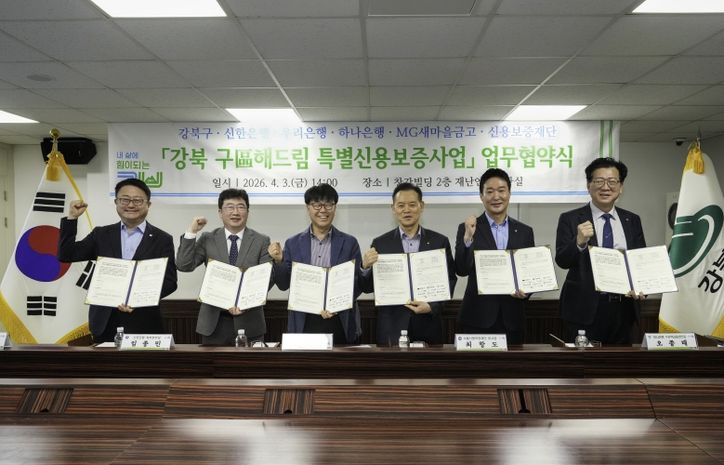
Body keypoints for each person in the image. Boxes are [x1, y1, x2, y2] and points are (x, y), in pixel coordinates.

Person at [58, 178, 177, 342]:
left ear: (148, 204)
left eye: (137, 200)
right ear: (116, 202)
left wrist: (138, 299)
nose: (130, 205)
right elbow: (67, 255)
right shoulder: (101, 235)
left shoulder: (162, 239)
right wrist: (72, 218)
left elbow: (170, 282)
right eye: (125, 199)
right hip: (104, 323)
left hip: (143, 321)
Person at [556, 157, 646, 345]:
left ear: (621, 187)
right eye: (599, 181)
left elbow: (640, 261)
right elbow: (562, 261)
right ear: (588, 185)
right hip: (583, 310)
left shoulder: (632, 220)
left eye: (612, 181)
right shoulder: (570, 218)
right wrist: (579, 242)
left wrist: (643, 285)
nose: (606, 187)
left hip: (623, 309)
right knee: (582, 363)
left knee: (621, 362)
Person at [360, 183, 456, 346]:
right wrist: (365, 267)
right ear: (393, 208)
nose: (407, 210)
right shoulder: (380, 243)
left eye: (412, 205)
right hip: (391, 326)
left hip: (428, 324)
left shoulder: (439, 242)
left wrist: (432, 306)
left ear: (421, 206)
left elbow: (450, 279)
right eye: (401, 205)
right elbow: (367, 287)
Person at [268, 183, 362, 344]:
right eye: (317, 205)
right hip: (304, 321)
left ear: (335, 207)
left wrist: (336, 304)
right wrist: (278, 261)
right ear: (308, 208)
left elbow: (357, 283)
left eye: (328, 204)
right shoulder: (293, 243)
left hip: (340, 319)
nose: (323, 210)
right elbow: (283, 284)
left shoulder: (349, 243)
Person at [176, 189, 272, 345]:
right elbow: (183, 265)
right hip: (214, 323)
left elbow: (266, 278)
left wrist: (245, 303)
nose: (235, 212)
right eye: (229, 207)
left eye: (241, 207)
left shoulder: (261, 241)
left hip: (249, 322)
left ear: (248, 212)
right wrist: (191, 232)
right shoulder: (208, 238)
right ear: (220, 212)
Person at [454, 168, 534, 345]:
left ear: (509, 194)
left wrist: (526, 291)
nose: (496, 196)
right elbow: (461, 269)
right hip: (477, 318)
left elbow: (528, 272)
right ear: (481, 196)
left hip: (513, 319)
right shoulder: (468, 228)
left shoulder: (524, 231)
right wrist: (468, 239)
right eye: (489, 191)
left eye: (501, 190)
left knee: (513, 364)